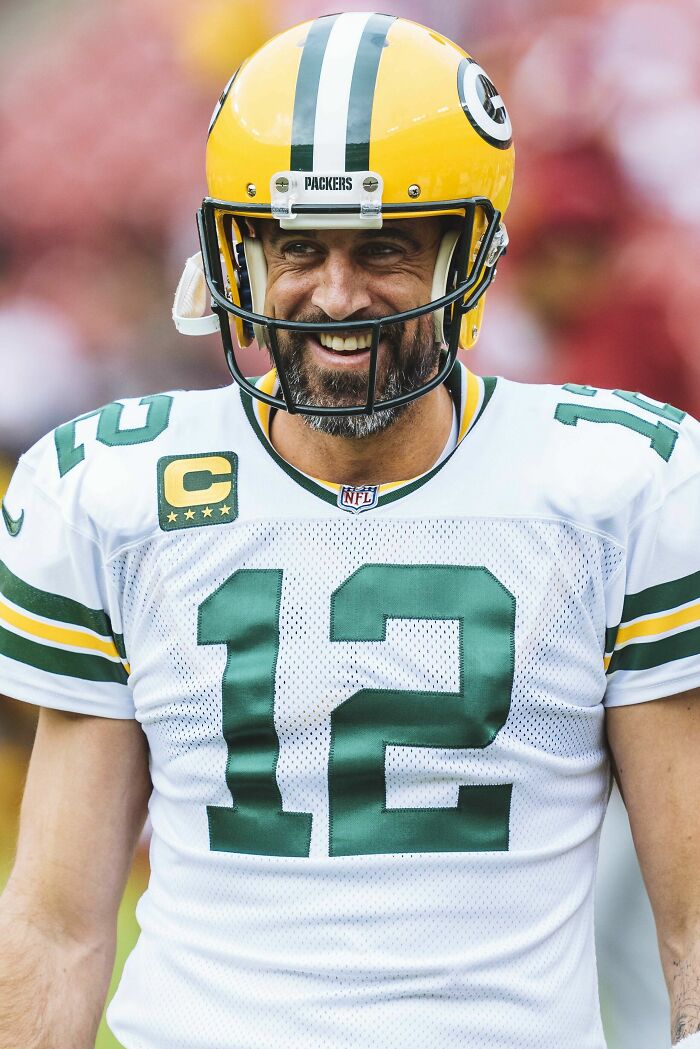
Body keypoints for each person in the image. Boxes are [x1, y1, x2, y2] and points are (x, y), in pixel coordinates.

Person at [0, 13, 698, 1049]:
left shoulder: (621, 487)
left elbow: (691, 920)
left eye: (383, 248)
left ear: (468, 255)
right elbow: (56, 924)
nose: (334, 295)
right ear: (238, 253)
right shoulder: (109, 491)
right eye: (297, 247)